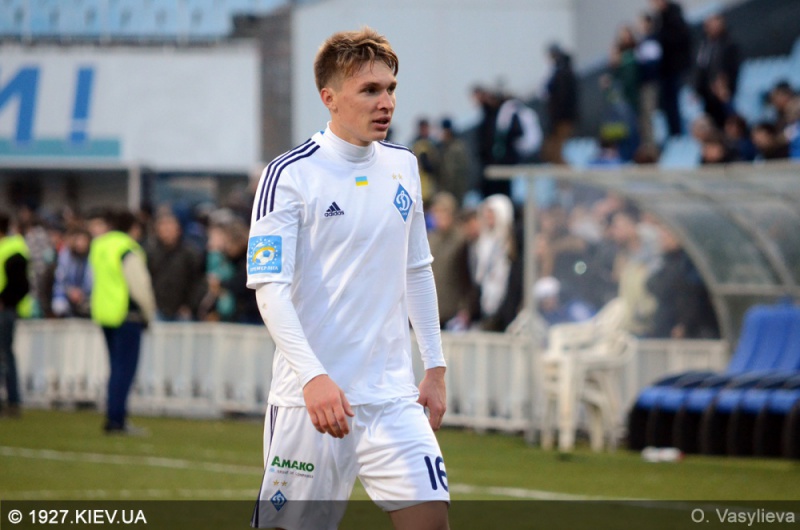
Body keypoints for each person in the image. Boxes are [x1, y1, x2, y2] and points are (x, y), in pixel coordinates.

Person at [247, 28, 449, 530]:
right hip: (313, 403)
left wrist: (435, 366)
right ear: (330, 98)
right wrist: (313, 378)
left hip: (392, 399)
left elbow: (416, 268)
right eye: (370, 90)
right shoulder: (288, 174)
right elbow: (270, 289)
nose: (386, 102)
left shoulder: (403, 165)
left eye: (390, 88)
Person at [87, 209, 156, 435]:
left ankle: (114, 415)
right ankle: (116, 418)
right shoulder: (127, 248)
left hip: (104, 313)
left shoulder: (100, 245)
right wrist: (148, 313)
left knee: (115, 368)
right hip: (126, 314)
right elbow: (139, 286)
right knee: (124, 370)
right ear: (133, 228)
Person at [428, 192, 476, 330]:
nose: (440, 216)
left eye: (444, 211)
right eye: (437, 211)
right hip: (433, 310)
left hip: (454, 312)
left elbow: (468, 277)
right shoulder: (430, 239)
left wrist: (466, 308)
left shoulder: (461, 240)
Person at [145, 211, 203, 321]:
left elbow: (198, 282)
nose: (167, 229)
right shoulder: (150, 252)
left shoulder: (190, 253)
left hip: (182, 312)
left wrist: (190, 305)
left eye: (170, 225)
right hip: (157, 310)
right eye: (163, 225)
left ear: (178, 228)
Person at [0, 212, 31, 418]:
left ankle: (12, 401)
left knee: (4, 355)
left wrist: (4, 301)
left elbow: (21, 284)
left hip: (5, 310)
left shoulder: (13, 249)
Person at [650, 0, 692, 137]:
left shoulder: (674, 13)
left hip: (677, 69)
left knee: (681, 105)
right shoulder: (657, 18)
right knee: (668, 108)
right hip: (665, 72)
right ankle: (675, 135)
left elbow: (680, 37)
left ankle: (683, 134)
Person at [693, 14, 740, 129]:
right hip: (707, 93)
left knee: (728, 122)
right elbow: (700, 68)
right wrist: (697, 89)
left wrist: (726, 85)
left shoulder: (729, 44)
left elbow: (732, 67)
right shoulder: (704, 45)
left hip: (722, 91)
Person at [542, 44, 578, 164]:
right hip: (561, 117)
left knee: (555, 150)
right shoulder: (563, 70)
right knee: (553, 151)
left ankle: (565, 173)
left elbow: (561, 97)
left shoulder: (562, 72)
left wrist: (556, 115)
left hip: (562, 117)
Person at [51, 226, 93, 318]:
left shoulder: (92, 256)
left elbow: (92, 280)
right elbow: (60, 280)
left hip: (86, 296)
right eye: (78, 240)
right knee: (59, 306)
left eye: (83, 240)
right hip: (68, 295)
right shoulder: (65, 256)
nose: (80, 243)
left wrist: (82, 292)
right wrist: (70, 291)